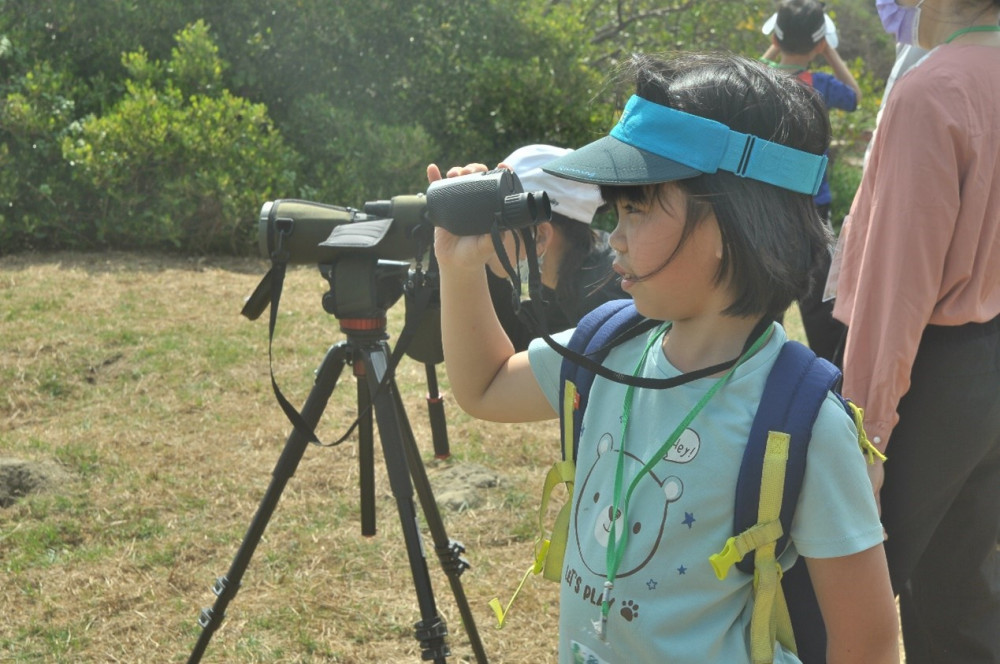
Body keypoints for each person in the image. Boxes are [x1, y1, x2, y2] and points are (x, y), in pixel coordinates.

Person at [431, 52, 899, 663]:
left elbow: (867, 640)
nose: (614, 236)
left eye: (638, 207)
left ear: (736, 223)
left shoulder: (802, 424)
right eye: (615, 209)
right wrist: (458, 268)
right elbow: (487, 386)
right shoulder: (611, 347)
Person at [827, 0, 1000, 661]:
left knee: (832, 593)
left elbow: (895, 286)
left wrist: (864, 435)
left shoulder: (931, 89)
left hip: (933, 373)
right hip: (986, 371)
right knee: (959, 589)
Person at [760, 0, 860, 363]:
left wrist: (774, 45)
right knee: (819, 294)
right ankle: (827, 367)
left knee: (767, 284)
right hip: (814, 203)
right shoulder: (821, 84)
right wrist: (829, 52)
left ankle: (758, 356)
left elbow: (753, 66)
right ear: (819, 44)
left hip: (768, 203)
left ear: (775, 35)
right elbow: (855, 97)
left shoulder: (762, 78)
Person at [485, 144, 626, 351]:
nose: (489, 235)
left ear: (540, 236)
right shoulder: (564, 281)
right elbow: (515, 344)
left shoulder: (603, 304)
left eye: (498, 224)